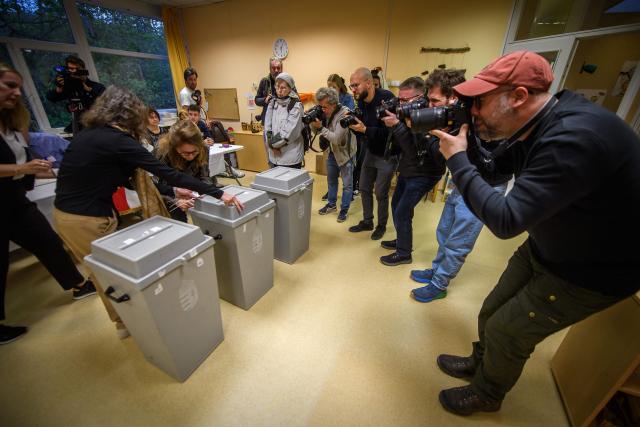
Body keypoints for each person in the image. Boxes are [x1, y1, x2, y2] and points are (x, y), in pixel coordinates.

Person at [430, 51, 640, 416]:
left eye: (480, 101)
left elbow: (506, 221)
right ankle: (482, 363)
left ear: (519, 96)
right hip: (549, 244)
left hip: (590, 271)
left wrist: (458, 160)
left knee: (508, 331)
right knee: (492, 311)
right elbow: (494, 173)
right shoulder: (538, 123)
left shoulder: (575, 138)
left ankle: (487, 393)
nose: (473, 110)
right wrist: (468, 141)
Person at [53, 85, 243, 339]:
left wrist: (177, 193)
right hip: (85, 217)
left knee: (109, 272)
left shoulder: (91, 134)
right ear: (130, 115)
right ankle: (130, 324)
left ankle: (131, 320)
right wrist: (220, 193)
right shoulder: (118, 140)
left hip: (77, 212)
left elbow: (131, 180)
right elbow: (168, 175)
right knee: (107, 276)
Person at [0, 62, 96, 345]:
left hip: (15, 199)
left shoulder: (13, 125)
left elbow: (25, 164)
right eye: (9, 85)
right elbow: (20, 167)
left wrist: (52, 170)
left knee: (47, 241)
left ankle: (78, 284)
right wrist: (22, 169)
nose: (16, 92)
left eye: (19, 87)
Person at [410, 69, 511, 301]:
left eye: (435, 101)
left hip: (484, 186)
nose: (431, 105)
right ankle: (436, 270)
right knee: (444, 231)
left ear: (453, 98)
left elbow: (489, 159)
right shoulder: (456, 119)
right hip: (461, 182)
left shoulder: (484, 120)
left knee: (458, 242)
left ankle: (439, 284)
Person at [378, 76, 446, 266]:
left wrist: (398, 126)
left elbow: (414, 150)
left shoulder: (429, 115)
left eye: (406, 101)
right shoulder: (408, 111)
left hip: (425, 172)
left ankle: (404, 253)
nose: (402, 105)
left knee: (402, 211)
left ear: (420, 97)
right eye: (400, 100)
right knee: (396, 205)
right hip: (409, 168)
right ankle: (402, 241)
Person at [347, 67, 396, 240]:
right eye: (351, 85)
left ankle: (381, 225)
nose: (353, 89)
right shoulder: (361, 102)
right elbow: (364, 131)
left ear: (368, 83)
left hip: (387, 153)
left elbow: (389, 133)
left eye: (356, 85)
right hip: (370, 150)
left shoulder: (387, 99)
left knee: (381, 192)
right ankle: (367, 221)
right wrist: (354, 127)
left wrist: (365, 129)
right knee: (364, 188)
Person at [310, 87, 356, 222]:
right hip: (331, 153)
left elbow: (336, 138)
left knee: (347, 185)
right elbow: (317, 133)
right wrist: (314, 121)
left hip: (345, 154)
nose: (322, 110)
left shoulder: (344, 114)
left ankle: (344, 210)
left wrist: (320, 127)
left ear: (334, 104)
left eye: (325, 107)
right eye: (321, 106)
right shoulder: (324, 112)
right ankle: (331, 204)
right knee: (331, 181)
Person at [155, 121, 214, 223]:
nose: (191, 156)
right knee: (177, 222)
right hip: (168, 193)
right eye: (185, 153)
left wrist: (201, 193)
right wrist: (175, 199)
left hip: (190, 190)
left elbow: (205, 177)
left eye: (194, 152)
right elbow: (156, 186)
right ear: (175, 147)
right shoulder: (162, 153)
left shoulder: (203, 148)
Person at [46, 55, 105, 135]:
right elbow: (51, 98)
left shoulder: (97, 87)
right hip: (78, 127)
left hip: (97, 127)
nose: (73, 73)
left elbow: (105, 104)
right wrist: (59, 88)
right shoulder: (68, 89)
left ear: (83, 71)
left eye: (76, 70)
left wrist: (88, 90)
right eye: (70, 69)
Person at [264, 72, 304, 169]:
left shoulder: (296, 106)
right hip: (274, 156)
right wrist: (271, 143)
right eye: (277, 87)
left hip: (290, 156)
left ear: (290, 88)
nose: (279, 90)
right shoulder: (272, 103)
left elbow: (287, 133)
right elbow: (267, 127)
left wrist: (271, 145)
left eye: (283, 88)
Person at [255, 57, 283, 125]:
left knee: (281, 136)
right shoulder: (264, 81)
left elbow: (296, 98)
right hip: (268, 122)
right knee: (268, 136)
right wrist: (265, 99)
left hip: (282, 121)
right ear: (270, 69)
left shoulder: (288, 81)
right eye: (273, 68)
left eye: (278, 68)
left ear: (281, 69)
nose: (276, 70)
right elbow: (256, 100)